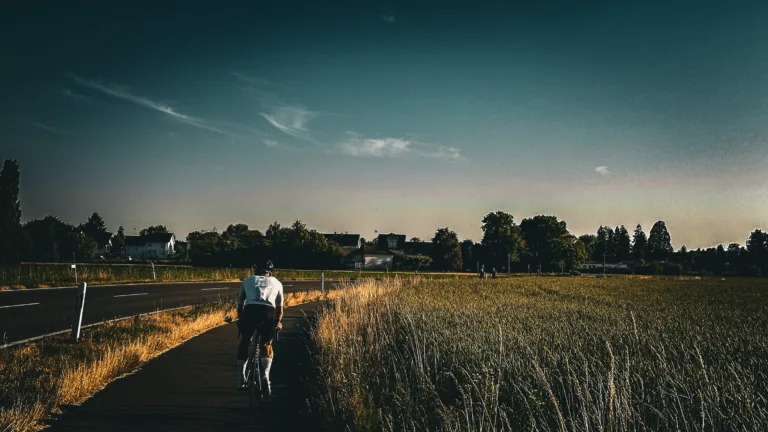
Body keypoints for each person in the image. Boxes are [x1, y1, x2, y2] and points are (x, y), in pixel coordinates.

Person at [236, 262, 284, 396]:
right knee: (266, 343)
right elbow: (280, 310)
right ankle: (265, 376)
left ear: (255, 271)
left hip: (250, 311)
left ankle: (241, 379)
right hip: (269, 312)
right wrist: (278, 323)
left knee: (245, 341)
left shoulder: (248, 280)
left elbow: (240, 304)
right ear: (270, 271)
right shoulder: (277, 283)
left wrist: (241, 320)